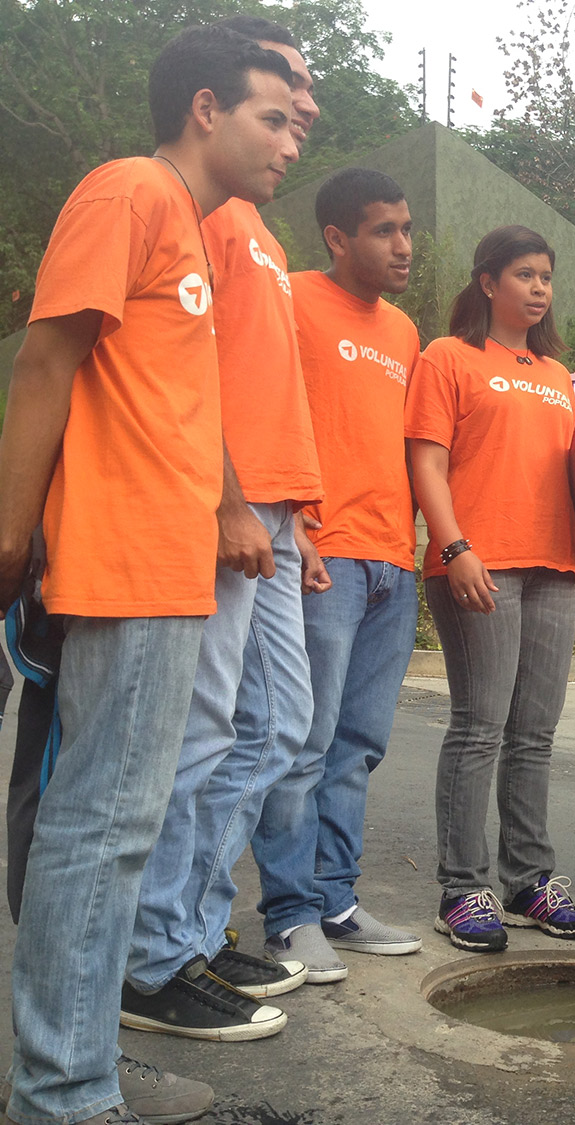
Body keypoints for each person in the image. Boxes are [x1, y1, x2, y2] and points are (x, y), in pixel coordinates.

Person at [0, 24, 296, 1123]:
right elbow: (46, 357)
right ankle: (65, 1096)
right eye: (273, 116)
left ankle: (77, 1076)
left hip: (170, 562)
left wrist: (222, 509)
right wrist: (11, 539)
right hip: (116, 562)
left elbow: (178, 402)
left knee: (118, 831)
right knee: (102, 828)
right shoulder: (131, 190)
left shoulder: (194, 226)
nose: (290, 141)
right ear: (207, 109)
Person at [121, 14, 325, 1044]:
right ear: (221, 99)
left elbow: (255, 371)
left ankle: (189, 931)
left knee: (276, 729)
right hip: (225, 504)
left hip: (275, 509)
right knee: (206, 735)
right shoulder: (192, 202)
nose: (305, 113)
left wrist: (295, 515)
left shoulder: (254, 219)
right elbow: (184, 364)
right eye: (287, 90)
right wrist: (227, 498)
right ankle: (156, 957)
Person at [406, 225, 575, 952]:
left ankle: (528, 880)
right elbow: (427, 463)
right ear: (488, 282)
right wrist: (453, 545)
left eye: (547, 275)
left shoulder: (560, 376)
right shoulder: (447, 358)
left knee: (534, 734)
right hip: (478, 564)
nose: (540, 287)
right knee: (480, 726)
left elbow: (574, 475)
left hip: (556, 569)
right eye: (524, 273)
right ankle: (464, 887)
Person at [253, 167, 424, 983]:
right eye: (385, 229)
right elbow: (255, 411)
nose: (403, 244)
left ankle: (335, 900)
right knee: (303, 740)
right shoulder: (287, 296)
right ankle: (287, 917)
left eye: (406, 227)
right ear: (337, 237)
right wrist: (291, 526)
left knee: (357, 746)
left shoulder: (404, 331)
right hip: (319, 552)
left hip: (394, 558)